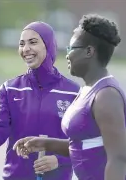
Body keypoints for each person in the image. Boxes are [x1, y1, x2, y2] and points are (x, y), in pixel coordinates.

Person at [13, 14, 126, 180]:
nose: (67, 55)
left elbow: (118, 159)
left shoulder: (106, 95)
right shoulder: (87, 89)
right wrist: (45, 143)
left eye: (71, 49)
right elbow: (85, 146)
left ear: (89, 51)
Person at [0, 21, 80, 180]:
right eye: (21, 44)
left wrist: (59, 160)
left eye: (33, 42)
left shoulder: (73, 92)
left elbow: (84, 145)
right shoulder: (9, 89)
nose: (26, 49)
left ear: (49, 45)